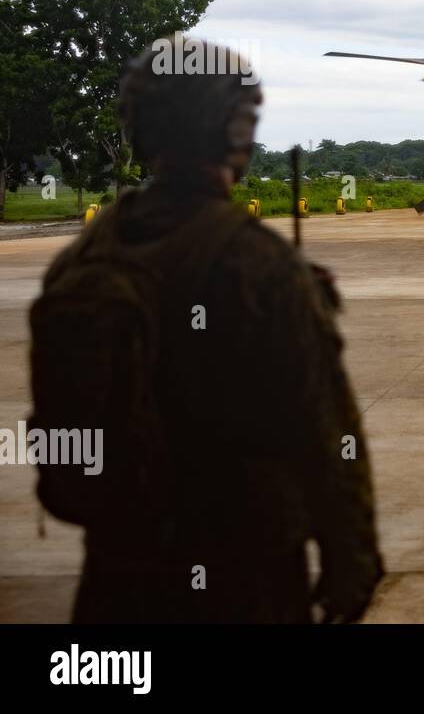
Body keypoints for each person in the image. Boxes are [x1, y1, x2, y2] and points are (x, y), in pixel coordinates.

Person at [29, 36, 383, 623]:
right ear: (233, 131)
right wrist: (353, 559)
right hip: (243, 580)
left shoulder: (86, 256)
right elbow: (325, 432)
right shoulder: (257, 265)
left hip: (118, 580)